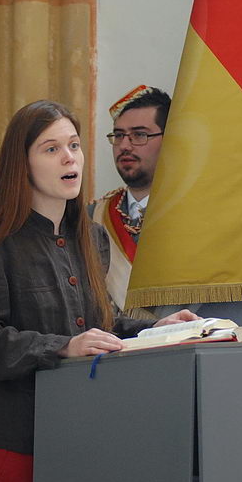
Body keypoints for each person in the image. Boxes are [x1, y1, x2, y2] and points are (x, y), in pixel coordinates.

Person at [0, 100, 197, 482]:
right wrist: (61, 346)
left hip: (87, 441)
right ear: (22, 164)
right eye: (51, 149)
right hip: (19, 448)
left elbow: (101, 323)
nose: (69, 158)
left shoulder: (92, 237)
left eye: (74, 145)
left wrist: (156, 329)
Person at [90, 85, 171, 316]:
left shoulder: (194, 216)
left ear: (170, 139)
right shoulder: (92, 216)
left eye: (139, 135)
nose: (124, 146)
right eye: (118, 135)